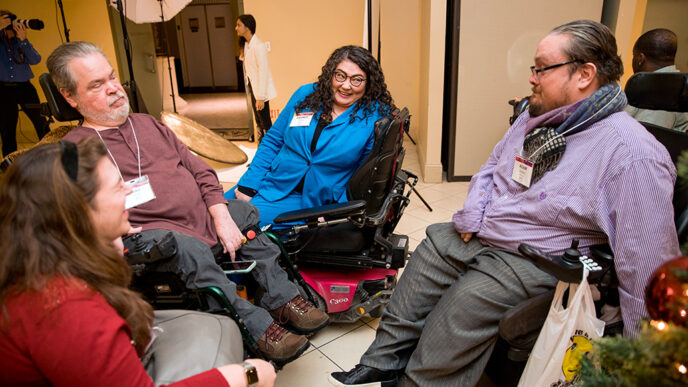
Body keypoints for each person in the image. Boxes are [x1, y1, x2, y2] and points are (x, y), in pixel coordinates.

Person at [330, 20, 680, 387]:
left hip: (539, 255)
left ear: (584, 74)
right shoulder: (535, 117)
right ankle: (383, 360)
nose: (532, 77)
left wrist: (642, 362)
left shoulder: (632, 154)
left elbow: (648, 268)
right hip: (489, 228)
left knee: (461, 307)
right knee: (430, 251)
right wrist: (472, 215)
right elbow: (492, 166)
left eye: (542, 68)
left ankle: (417, 382)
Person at [48, 41, 329, 363]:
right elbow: (75, 217)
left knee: (244, 213)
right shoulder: (74, 151)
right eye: (98, 85)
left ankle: (283, 299)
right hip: (152, 237)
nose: (114, 89)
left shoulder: (148, 124)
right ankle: (257, 327)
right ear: (69, 97)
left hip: (200, 218)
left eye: (112, 77)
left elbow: (201, 171)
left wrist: (220, 214)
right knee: (184, 247)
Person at [0, 138, 276, 386]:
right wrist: (244, 375)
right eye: (117, 187)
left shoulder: (33, 263)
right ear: (81, 212)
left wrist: (105, 242)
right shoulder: (67, 310)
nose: (129, 194)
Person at [226, 45, 394, 226]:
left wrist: (337, 212)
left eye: (357, 80)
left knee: (231, 225)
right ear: (331, 73)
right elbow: (273, 140)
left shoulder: (375, 116)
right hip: (273, 180)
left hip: (314, 201)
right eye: (341, 75)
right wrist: (249, 185)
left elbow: (363, 175)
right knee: (211, 211)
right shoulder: (306, 94)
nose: (346, 85)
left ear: (368, 83)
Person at [0, 10, 49, 158]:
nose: (9, 27)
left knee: (41, 124)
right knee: (7, 131)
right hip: (3, 90)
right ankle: (10, 166)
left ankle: (52, 157)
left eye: (11, 23)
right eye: (4, 22)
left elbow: (35, 60)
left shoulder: (19, 42)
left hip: (25, 88)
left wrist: (23, 40)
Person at [625, 28, 688, 132]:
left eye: (634, 55)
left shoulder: (661, 91)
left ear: (640, 59)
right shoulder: (674, 83)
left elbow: (644, 137)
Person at [235, 14, 277, 142]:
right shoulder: (247, 45)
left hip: (260, 92)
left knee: (265, 124)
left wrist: (261, 98)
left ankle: (270, 154)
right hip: (253, 88)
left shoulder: (258, 46)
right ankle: (261, 154)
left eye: (238, 25)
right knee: (259, 122)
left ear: (247, 27)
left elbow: (263, 72)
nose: (236, 28)